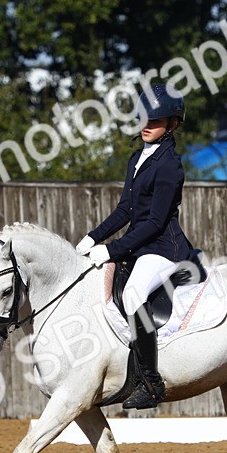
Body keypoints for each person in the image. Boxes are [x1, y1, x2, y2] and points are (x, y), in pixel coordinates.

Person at [76, 83, 196, 410]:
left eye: (155, 121)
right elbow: (125, 211)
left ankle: (150, 382)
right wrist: (91, 238)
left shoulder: (170, 165)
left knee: (132, 295)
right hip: (141, 244)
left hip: (163, 248)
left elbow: (154, 223)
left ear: (171, 124)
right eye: (143, 118)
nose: (146, 125)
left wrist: (112, 250)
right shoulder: (136, 158)